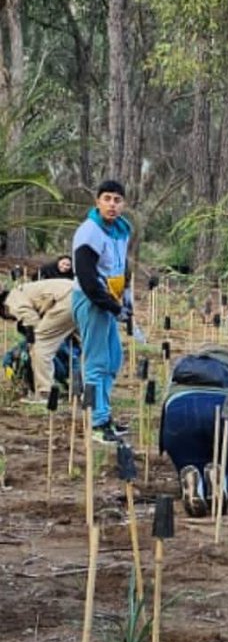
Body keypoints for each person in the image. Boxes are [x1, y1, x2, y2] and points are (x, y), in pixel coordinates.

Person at [71, 179, 133, 444]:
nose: (112, 205)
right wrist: (112, 306)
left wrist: (125, 298)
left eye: (117, 200)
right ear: (97, 201)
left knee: (113, 359)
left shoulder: (121, 230)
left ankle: (104, 416)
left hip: (110, 300)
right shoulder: (89, 232)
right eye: (107, 198)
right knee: (96, 362)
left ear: (123, 204)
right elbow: (87, 279)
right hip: (92, 300)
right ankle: (96, 423)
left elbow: (121, 267)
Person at [159, 346, 228, 518]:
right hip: (223, 408)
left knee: (190, 466)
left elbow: (165, 407)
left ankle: (196, 485)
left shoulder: (180, 373)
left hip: (178, 412)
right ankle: (221, 483)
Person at [0, 278, 76, 402]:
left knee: (41, 345)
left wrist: (31, 341)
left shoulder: (11, 301)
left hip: (66, 299)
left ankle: (45, 393)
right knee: (85, 344)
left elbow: (31, 320)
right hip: (79, 292)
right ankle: (87, 390)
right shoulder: (23, 292)